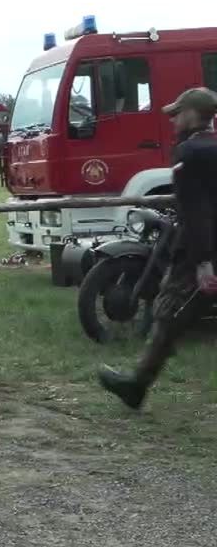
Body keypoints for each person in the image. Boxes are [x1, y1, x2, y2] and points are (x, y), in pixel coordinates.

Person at [99, 87, 217, 409]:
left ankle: (136, 384)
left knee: (168, 312)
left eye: (178, 113)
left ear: (193, 114)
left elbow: (196, 210)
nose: (174, 119)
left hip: (199, 248)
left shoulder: (190, 153)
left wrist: (203, 261)